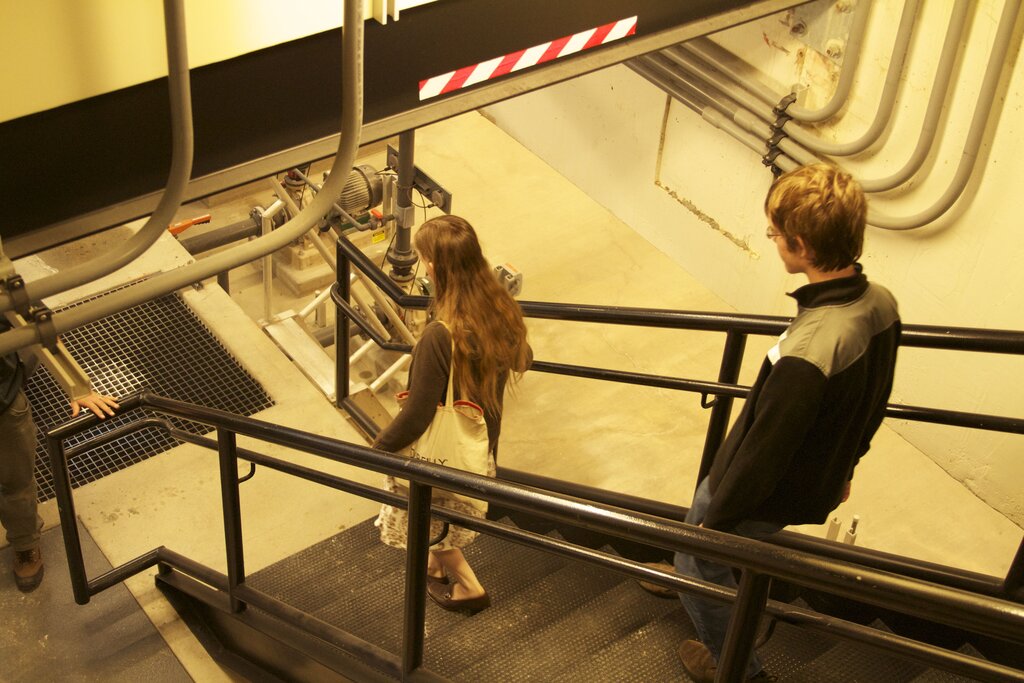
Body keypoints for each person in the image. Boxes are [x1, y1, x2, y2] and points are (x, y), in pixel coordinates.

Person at [673, 164, 901, 682]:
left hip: (754, 484)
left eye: (775, 232)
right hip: (815, 473)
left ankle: (738, 667)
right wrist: (848, 465)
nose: (770, 238)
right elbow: (878, 397)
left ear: (800, 245)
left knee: (696, 561)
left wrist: (714, 528)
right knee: (697, 541)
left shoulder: (808, 351)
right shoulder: (879, 302)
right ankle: (707, 574)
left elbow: (764, 455)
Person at [373, 215, 531, 614]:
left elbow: (419, 413)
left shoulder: (440, 334)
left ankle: (469, 589)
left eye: (425, 258)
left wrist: (380, 447)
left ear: (433, 265)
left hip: (438, 455)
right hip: (477, 449)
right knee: (441, 519)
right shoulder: (500, 309)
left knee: (427, 520)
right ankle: (436, 568)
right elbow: (523, 360)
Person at [1, 318, 120, 592]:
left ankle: (25, 544)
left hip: (3, 405)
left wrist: (76, 386)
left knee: (15, 482)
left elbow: (33, 322)